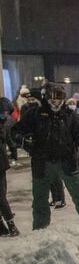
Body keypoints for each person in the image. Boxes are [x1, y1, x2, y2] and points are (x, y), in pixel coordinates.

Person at [11, 82, 79, 230]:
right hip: (41, 163)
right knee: (40, 200)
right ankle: (40, 230)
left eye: (59, 100)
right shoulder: (35, 114)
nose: (56, 103)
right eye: (53, 100)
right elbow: (15, 132)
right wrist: (24, 141)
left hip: (67, 162)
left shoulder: (70, 115)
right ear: (46, 98)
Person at [0, 98, 19, 236]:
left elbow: (7, 138)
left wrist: (13, 150)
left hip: (0, 164)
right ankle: (6, 225)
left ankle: (7, 225)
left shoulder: (3, 124)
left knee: (1, 196)